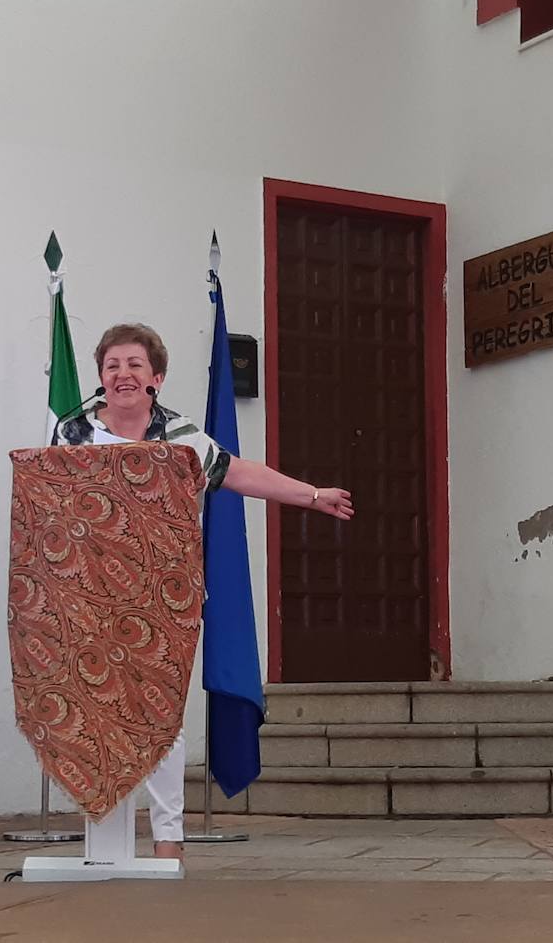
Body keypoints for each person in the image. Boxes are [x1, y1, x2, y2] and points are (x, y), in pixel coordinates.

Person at [53, 323, 353, 860]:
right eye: (113, 365)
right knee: (101, 719)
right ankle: (105, 844)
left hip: (164, 600)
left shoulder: (179, 436)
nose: (123, 374)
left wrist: (312, 495)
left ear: (156, 378)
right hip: (91, 600)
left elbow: (238, 473)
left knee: (160, 719)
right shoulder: (71, 433)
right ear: (100, 376)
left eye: (135, 365)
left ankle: (169, 840)